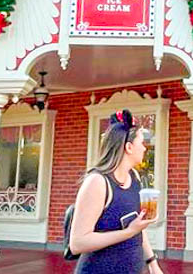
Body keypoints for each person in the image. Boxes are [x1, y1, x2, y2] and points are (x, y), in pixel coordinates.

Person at [70, 109, 164, 274]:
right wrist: (128, 232)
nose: (144, 148)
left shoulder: (133, 177)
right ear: (128, 147)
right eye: (142, 143)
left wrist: (152, 264)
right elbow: (78, 243)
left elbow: (138, 228)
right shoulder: (98, 182)